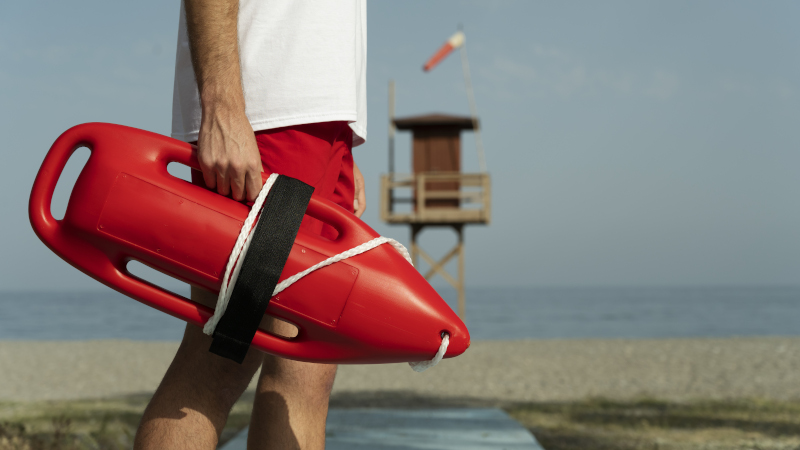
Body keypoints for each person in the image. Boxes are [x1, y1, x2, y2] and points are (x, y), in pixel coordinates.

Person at [133, 1, 367, 449]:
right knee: (220, 356)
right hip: (268, 113)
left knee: (307, 366)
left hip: (323, 121)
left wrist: (341, 142)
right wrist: (222, 104)